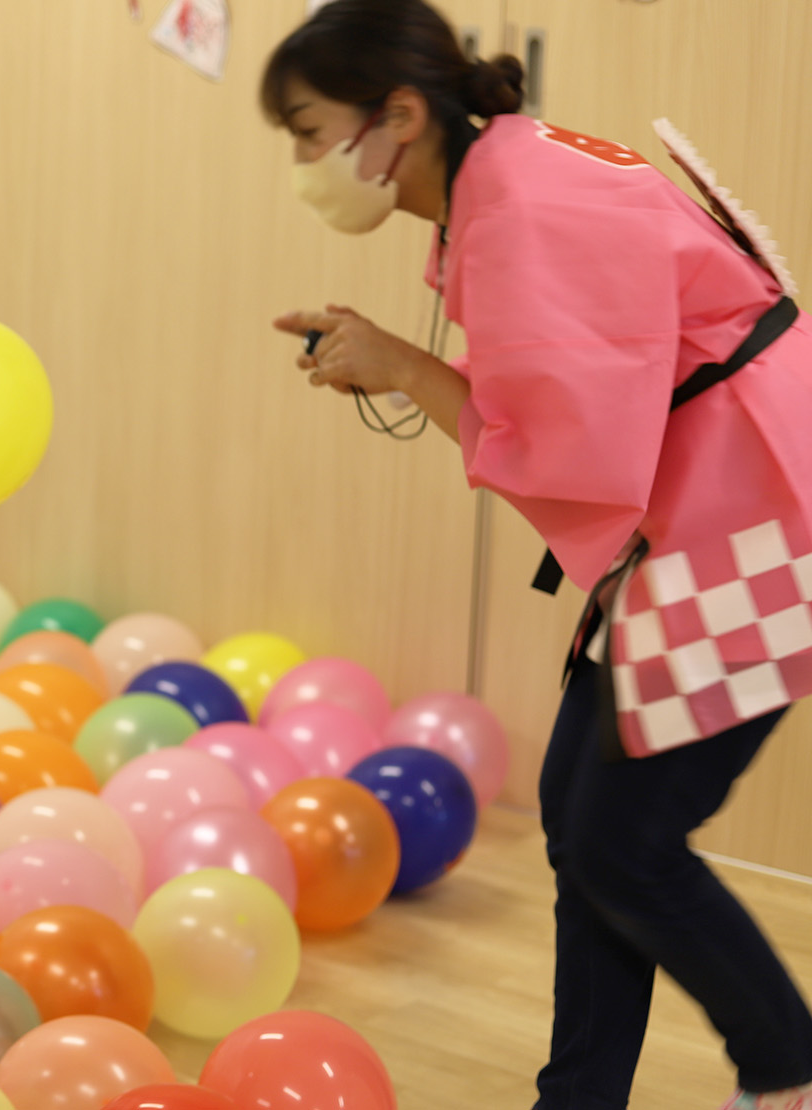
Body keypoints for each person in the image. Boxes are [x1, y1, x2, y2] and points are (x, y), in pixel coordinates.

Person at [261, 3, 812, 1107]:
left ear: (400, 116)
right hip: (709, 503)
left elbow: (570, 458)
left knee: (625, 844)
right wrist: (400, 360)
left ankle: (789, 1064)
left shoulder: (519, 212)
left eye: (310, 132)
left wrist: (405, 368)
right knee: (584, 819)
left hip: (756, 519)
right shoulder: (497, 181)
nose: (304, 165)